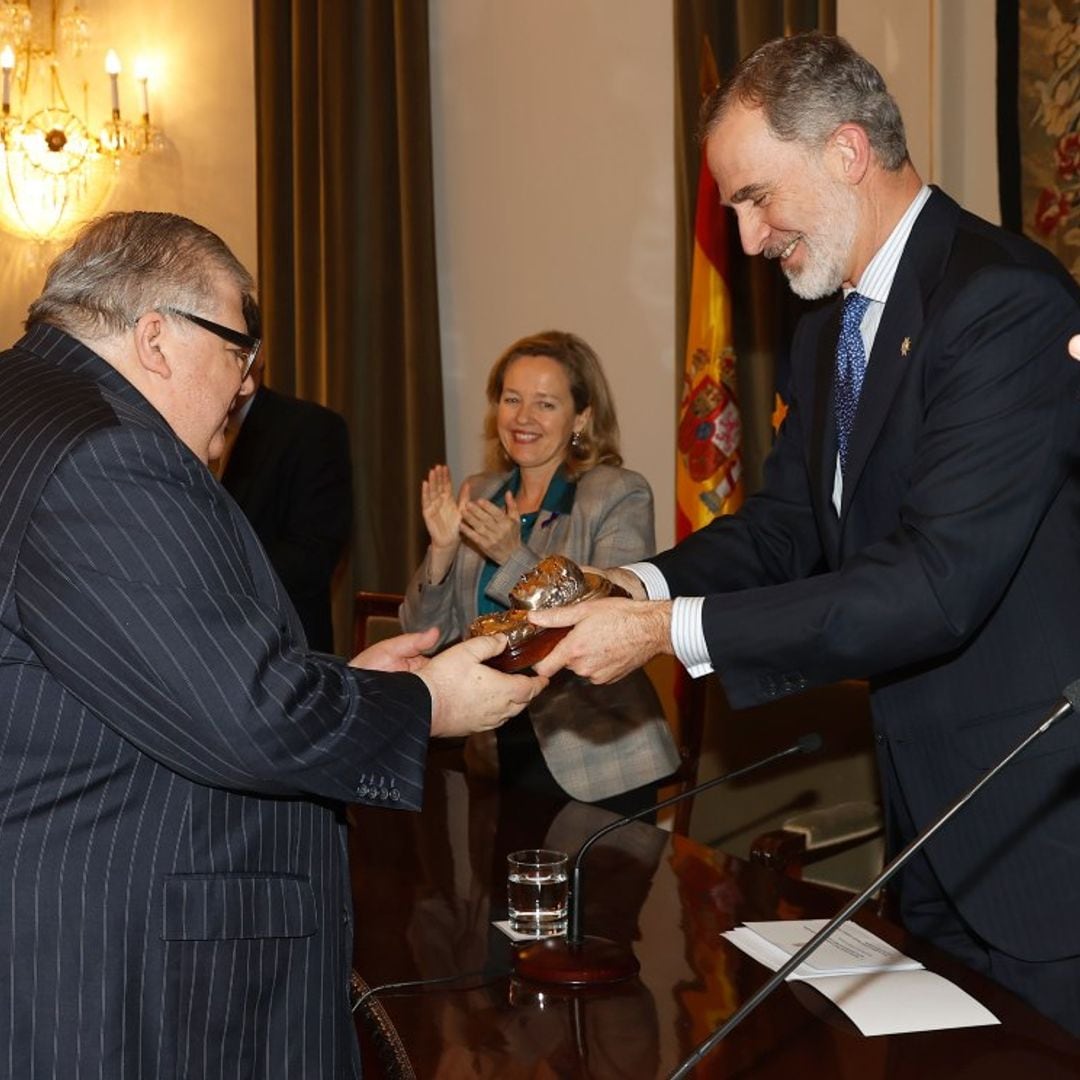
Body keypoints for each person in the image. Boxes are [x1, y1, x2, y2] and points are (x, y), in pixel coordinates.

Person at [529, 33, 1080, 1034]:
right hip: (932, 829)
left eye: (754, 198)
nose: (744, 240)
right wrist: (638, 588)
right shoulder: (829, 322)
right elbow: (788, 529)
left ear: (848, 151)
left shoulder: (1001, 302)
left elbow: (933, 586)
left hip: (1041, 841)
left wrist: (669, 635)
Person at [0, 210, 544, 1078]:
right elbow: (244, 717)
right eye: (238, 354)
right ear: (155, 339)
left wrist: (339, 683)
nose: (246, 386)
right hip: (131, 961)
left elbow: (146, 674)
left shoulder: (27, 408)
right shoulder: (106, 453)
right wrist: (427, 703)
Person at [401, 330, 679, 816]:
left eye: (545, 404)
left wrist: (513, 556)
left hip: (596, 756)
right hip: (491, 751)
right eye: (512, 399)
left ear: (582, 417)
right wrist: (442, 551)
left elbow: (610, 615)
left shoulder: (618, 493)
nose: (523, 418)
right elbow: (423, 635)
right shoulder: (479, 491)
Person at [218, 296, 352, 652]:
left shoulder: (309, 429)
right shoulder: (178, 429)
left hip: (283, 647)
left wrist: (212, 572)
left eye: (233, 351)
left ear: (257, 356)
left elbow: (313, 556)